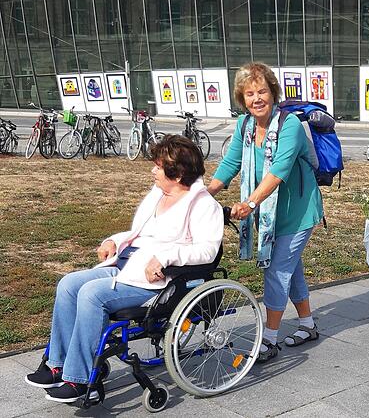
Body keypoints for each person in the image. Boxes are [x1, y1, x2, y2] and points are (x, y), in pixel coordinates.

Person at [25, 135, 223, 403]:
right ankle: (57, 364)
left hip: (157, 282)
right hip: (127, 266)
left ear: (177, 174)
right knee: (69, 284)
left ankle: (81, 381)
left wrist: (166, 257)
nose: (152, 170)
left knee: (93, 294)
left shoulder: (204, 206)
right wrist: (114, 240)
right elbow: (139, 234)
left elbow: (207, 251)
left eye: (158, 166)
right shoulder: (157, 195)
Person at [208, 62, 323, 362]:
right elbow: (231, 163)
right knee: (290, 267)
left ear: (273, 93)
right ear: (242, 98)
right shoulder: (245, 126)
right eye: (249, 93)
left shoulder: (290, 126)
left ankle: (269, 340)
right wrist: (205, 193)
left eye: (262, 91)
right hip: (269, 214)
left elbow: (277, 172)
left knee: (277, 270)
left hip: (298, 212)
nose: (257, 98)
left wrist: (249, 203)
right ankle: (308, 324)